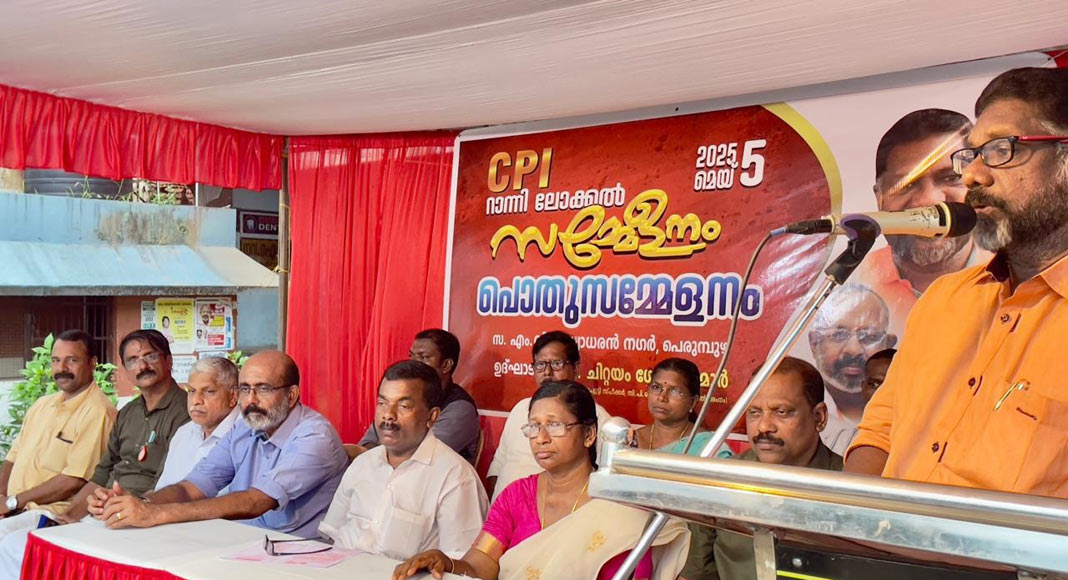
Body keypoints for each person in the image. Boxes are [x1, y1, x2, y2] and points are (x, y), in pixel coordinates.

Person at [846, 67, 1068, 497]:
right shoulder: (944, 299)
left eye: (1002, 149)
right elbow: (879, 433)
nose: (973, 176)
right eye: (973, 155)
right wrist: (851, 523)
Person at [393, 380, 690, 580]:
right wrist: (447, 563)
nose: (541, 438)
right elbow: (482, 564)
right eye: (534, 427)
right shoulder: (517, 495)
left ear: (589, 434)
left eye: (555, 425)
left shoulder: (620, 506)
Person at [93, 350, 348, 537]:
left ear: (291, 395)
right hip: (238, 544)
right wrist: (143, 503)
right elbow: (193, 487)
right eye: (245, 389)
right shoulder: (245, 426)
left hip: (296, 556)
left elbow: (256, 502)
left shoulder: (315, 437)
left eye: (263, 389)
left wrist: (157, 514)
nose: (251, 400)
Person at [0, 329, 189, 579]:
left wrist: (137, 506)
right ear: (125, 369)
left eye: (150, 356)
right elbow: (102, 474)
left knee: (21, 548)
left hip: (138, 515)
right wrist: (71, 516)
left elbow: (170, 482)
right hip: (99, 510)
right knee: (13, 544)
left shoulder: (185, 412)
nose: (142, 366)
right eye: (133, 360)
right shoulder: (129, 412)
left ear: (168, 360)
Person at [681, 357, 842, 580]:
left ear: (819, 417)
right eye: (754, 412)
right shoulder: (722, 481)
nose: (764, 427)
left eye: (781, 412)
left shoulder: (851, 487)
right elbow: (696, 573)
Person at [320, 360, 487, 559]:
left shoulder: (456, 478)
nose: (388, 415)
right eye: (382, 403)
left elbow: (459, 564)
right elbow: (332, 534)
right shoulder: (362, 464)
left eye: (404, 406)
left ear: (432, 417)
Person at [853, 110, 985, 334]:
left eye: (951, 178)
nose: (928, 200)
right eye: (906, 184)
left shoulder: (1018, 277)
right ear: (879, 198)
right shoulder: (852, 282)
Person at [0, 331, 117, 579]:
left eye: (71, 360)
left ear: (92, 363)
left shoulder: (97, 411)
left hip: (49, 512)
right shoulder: (42, 405)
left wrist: (12, 502)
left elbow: (73, 480)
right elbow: (13, 457)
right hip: (15, 507)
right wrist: (1, 499)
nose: (61, 368)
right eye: (55, 360)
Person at [486, 331, 611, 500]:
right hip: (503, 508)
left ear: (575, 368)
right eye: (540, 364)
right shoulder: (520, 408)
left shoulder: (597, 418)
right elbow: (498, 466)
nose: (547, 372)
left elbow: (605, 481)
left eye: (556, 364)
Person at [358, 329, 480, 463]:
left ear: (446, 365)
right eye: (412, 356)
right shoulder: (401, 395)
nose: (414, 362)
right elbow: (368, 442)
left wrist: (371, 456)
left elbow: (419, 454)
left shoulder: (461, 408)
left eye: (424, 357)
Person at [806, 283, 896, 453]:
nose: (854, 350)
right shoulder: (800, 410)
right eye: (839, 335)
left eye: (869, 336)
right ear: (814, 343)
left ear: (889, 343)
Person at [153, 357, 240, 490]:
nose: (196, 400)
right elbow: (163, 489)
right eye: (192, 391)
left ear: (233, 396)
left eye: (208, 391)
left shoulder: (246, 436)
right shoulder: (183, 433)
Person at [632, 357, 731, 458]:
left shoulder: (709, 447)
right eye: (656, 387)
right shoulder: (631, 440)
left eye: (674, 391)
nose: (661, 397)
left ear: (693, 402)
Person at [822, 348, 897, 455]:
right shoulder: (837, 442)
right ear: (863, 388)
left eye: (892, 386)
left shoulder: (920, 446)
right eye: (874, 385)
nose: (882, 394)